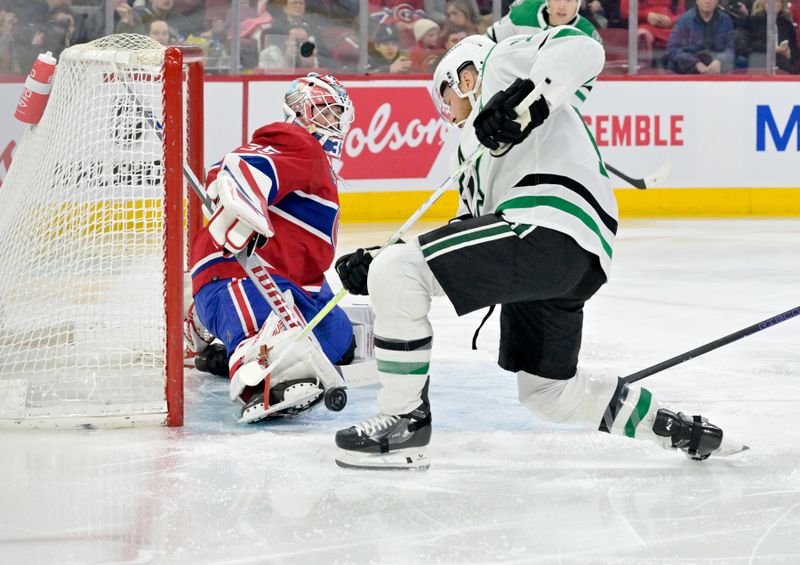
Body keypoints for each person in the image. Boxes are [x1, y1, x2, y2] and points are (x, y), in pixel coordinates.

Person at [331, 33, 733, 470]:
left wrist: (525, 100)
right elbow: (469, 234)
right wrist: (380, 261)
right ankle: (674, 427)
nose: (449, 113)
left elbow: (584, 50)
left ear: (465, 75)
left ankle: (404, 421)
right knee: (547, 392)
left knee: (399, 270)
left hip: (547, 225)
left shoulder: (503, 62)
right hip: (570, 259)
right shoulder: (470, 151)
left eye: (447, 97)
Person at [186, 72, 357, 423]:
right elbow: (240, 164)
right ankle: (244, 360)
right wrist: (240, 200)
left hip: (297, 285)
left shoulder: (317, 163)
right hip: (237, 276)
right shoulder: (297, 141)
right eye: (326, 111)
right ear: (301, 110)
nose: (334, 122)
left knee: (341, 347)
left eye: (336, 113)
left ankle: (212, 335)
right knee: (273, 354)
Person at [485, 0, 602, 104]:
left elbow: (581, 89)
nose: (562, 6)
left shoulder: (588, 38)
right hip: (505, 92)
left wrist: (550, 108)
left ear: (578, 3)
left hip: (548, 110)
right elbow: (488, 43)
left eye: (568, 0)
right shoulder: (524, 11)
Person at [666, 0, 734, 74]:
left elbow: (730, 48)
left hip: (717, 68)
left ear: (718, 1)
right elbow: (673, 49)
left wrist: (719, 60)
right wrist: (695, 63)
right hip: (688, 69)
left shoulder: (725, 20)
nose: (707, 1)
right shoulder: (684, 20)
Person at [745, 0, 798, 73]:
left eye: (776, 1)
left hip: (784, 61)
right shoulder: (753, 21)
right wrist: (772, 49)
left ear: (781, 4)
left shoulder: (787, 24)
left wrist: (789, 54)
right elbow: (748, 45)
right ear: (763, 5)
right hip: (760, 57)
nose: (772, 5)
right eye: (767, 2)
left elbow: (794, 47)